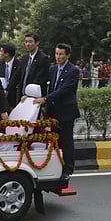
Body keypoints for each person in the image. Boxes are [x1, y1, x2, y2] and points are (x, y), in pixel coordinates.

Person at [33, 43, 80, 180]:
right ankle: (56, 165)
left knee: (66, 140)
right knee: (54, 139)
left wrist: (45, 99)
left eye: (61, 54)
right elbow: (49, 87)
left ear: (68, 55)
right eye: (56, 54)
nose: (58, 57)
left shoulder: (73, 70)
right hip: (53, 110)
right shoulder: (53, 69)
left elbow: (64, 90)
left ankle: (68, 169)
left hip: (66, 111)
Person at [12, 33, 49, 101]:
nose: (27, 44)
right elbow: (17, 75)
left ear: (37, 43)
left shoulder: (43, 58)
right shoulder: (25, 58)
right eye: (26, 42)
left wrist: (28, 94)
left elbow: (39, 79)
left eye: (30, 41)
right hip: (22, 96)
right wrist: (7, 89)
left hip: (34, 98)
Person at [0, 43, 20, 111]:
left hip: (13, 97)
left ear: (7, 54)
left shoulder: (19, 65)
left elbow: (17, 80)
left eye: (1, 51)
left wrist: (8, 90)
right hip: (1, 96)